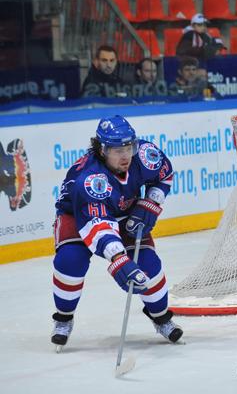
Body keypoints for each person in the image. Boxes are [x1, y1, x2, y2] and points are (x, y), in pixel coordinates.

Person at [51, 115, 183, 349]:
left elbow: (164, 175)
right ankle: (63, 318)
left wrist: (151, 202)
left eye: (128, 147)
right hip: (78, 215)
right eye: (117, 150)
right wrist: (118, 258)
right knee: (71, 260)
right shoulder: (90, 180)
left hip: (124, 212)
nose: (125, 156)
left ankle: (161, 317)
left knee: (148, 264)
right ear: (102, 149)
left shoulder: (144, 155)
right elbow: (98, 225)